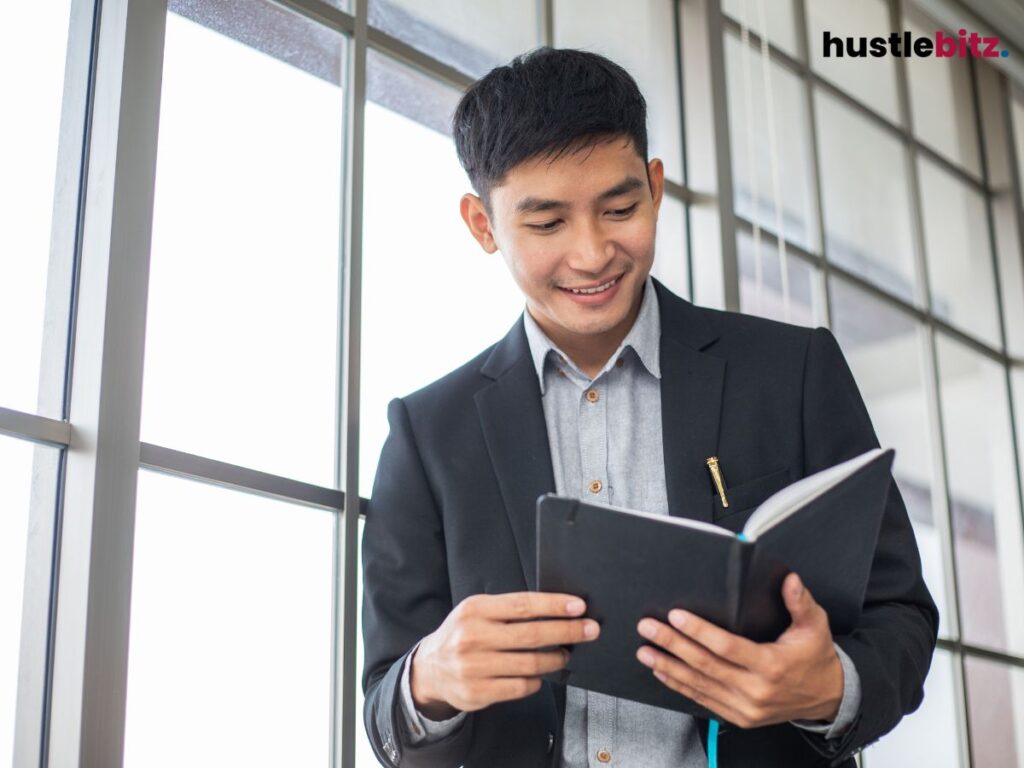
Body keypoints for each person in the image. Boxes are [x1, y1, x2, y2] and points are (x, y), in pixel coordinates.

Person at [360, 47, 938, 768]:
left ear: (656, 188)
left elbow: (900, 615)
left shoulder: (793, 373)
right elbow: (384, 702)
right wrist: (431, 678)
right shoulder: (426, 433)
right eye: (546, 224)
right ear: (483, 225)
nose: (593, 253)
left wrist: (828, 688)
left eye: (621, 208)